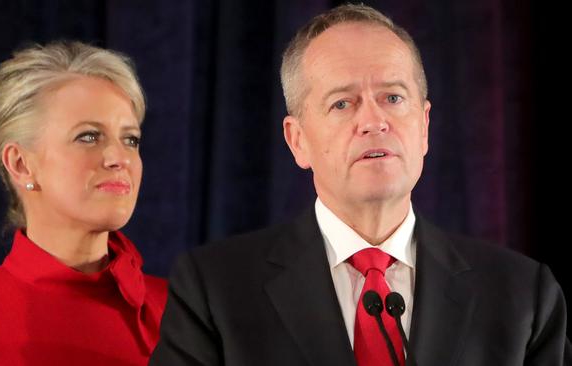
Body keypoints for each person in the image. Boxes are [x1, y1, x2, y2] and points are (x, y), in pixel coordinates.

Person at [149, 4, 571, 366]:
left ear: (424, 126)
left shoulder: (523, 296)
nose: (373, 121)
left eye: (392, 97)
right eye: (342, 103)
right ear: (298, 140)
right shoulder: (214, 290)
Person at [0, 41, 166, 365]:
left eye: (130, 139)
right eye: (89, 136)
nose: (119, 158)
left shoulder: (182, 312)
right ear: (21, 164)